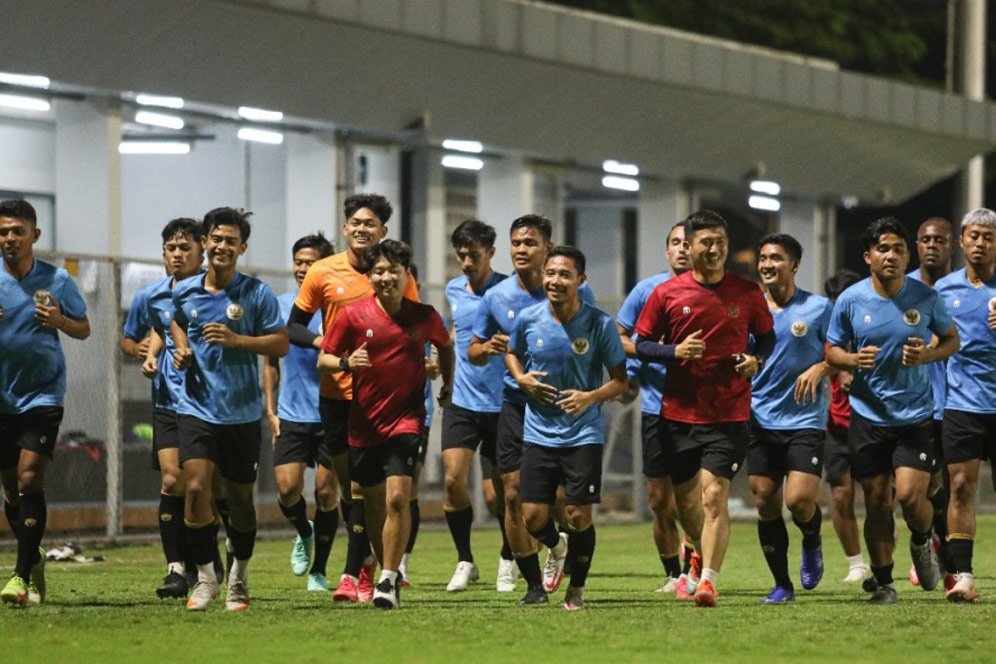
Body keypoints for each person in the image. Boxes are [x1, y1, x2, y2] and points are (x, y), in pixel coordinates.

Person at [634, 209, 775, 608]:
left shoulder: (747, 293)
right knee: (688, 505)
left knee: (714, 495)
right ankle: (696, 552)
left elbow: (766, 338)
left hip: (729, 413)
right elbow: (642, 343)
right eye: (706, 243)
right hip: (678, 414)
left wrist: (756, 360)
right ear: (690, 246)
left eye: (721, 243)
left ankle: (709, 580)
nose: (714, 250)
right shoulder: (667, 294)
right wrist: (674, 351)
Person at [288, 193, 418, 603]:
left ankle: (361, 575)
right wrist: (326, 343)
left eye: (371, 224)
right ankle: (370, 568)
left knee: (370, 491)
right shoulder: (323, 272)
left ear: (383, 231)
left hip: (383, 402)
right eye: (355, 223)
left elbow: (413, 326)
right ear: (345, 228)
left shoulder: (394, 272)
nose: (362, 229)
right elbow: (293, 327)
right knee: (348, 491)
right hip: (336, 396)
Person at [826, 216, 959, 605]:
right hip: (867, 417)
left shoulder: (925, 297)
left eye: (899, 249)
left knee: (909, 496)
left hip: (915, 415)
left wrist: (929, 355)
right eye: (883, 248)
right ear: (868, 256)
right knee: (876, 501)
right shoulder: (851, 300)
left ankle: (921, 541)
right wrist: (851, 359)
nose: (891, 255)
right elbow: (831, 350)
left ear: (907, 255)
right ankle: (884, 583)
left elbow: (952, 340)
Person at [318, 239, 454, 610]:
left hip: (407, 421)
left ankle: (389, 579)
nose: (386, 276)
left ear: (405, 274)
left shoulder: (424, 315)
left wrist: (447, 384)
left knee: (398, 498)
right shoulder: (352, 315)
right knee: (372, 504)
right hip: (364, 424)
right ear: (369, 276)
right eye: (379, 270)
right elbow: (324, 360)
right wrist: (347, 363)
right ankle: (381, 568)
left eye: (394, 270)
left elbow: (445, 346)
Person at [469, 214, 595, 605]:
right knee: (511, 495)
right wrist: (488, 349)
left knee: (558, 500)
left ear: (547, 247)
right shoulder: (496, 296)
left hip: (562, 409)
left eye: (531, 243)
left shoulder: (573, 290)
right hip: (515, 405)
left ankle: (564, 552)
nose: (522, 250)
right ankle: (533, 584)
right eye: (517, 243)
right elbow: (472, 349)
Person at [170, 207, 288, 611]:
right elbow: (177, 321)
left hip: (240, 413)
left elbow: (280, 344)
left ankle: (240, 574)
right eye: (215, 238)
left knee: (239, 499)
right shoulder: (185, 291)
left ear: (242, 247)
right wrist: (182, 350)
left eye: (230, 241)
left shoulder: (256, 294)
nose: (222, 246)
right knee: (197, 487)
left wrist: (238, 341)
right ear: (205, 241)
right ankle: (206, 579)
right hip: (196, 407)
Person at [506, 246, 627, 610]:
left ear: (580, 280)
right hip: (538, 432)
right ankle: (557, 547)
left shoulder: (599, 324)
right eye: (551, 274)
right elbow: (512, 352)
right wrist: (520, 377)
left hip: (583, 433)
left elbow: (620, 381)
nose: (556, 281)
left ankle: (578, 588)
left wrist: (590, 398)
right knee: (532, 517)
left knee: (577, 515)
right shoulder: (528, 319)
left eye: (565, 275)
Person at [0, 199, 90, 607]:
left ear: (35, 235)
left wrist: (59, 322)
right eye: (3, 232)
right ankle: (32, 555)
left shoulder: (56, 279)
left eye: (17, 231)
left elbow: (84, 329)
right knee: (12, 490)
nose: (9, 239)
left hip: (44, 394)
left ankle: (19, 575)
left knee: (29, 478)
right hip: (3, 397)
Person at [748, 233, 835, 604]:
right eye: (764, 258)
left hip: (804, 420)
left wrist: (821, 368)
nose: (768, 264)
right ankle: (782, 584)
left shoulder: (818, 308)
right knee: (766, 499)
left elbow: (841, 353)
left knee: (799, 500)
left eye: (777, 258)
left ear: (794, 265)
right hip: (758, 418)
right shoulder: (750, 309)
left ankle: (812, 538)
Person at [616, 222, 694, 596]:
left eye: (687, 242)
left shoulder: (715, 293)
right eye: (675, 242)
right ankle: (672, 573)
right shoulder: (647, 291)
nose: (682, 248)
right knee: (660, 501)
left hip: (701, 411)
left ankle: (696, 568)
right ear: (667, 251)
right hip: (656, 408)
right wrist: (633, 371)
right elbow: (620, 336)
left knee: (697, 498)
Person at [133, 218, 209, 599]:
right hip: (167, 401)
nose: (177, 255)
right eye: (171, 249)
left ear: (202, 249)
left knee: (208, 489)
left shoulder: (217, 290)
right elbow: (136, 339)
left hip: (210, 403)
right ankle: (177, 568)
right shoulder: (152, 297)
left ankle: (207, 561)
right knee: (171, 480)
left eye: (185, 248)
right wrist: (146, 356)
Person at [440, 220, 515, 593]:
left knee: (497, 492)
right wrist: (445, 375)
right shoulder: (454, 288)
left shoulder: (508, 290)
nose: (467, 261)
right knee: (452, 478)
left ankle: (508, 556)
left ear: (491, 253)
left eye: (474, 254)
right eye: (462, 254)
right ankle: (465, 559)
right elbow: (457, 332)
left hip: (502, 402)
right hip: (463, 401)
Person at [264, 233, 336, 592]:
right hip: (292, 414)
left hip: (332, 414)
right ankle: (303, 531)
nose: (302, 269)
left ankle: (319, 572)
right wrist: (270, 409)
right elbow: (271, 361)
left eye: (310, 263)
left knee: (326, 493)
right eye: (298, 262)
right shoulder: (280, 306)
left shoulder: (339, 305)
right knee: (288, 488)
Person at [935, 208, 996, 602]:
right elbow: (931, 343)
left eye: (988, 237)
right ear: (961, 241)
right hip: (962, 404)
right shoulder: (943, 291)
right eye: (974, 236)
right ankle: (964, 576)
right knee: (959, 487)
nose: (980, 243)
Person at [906, 217, 955, 587]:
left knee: (956, 487)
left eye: (939, 239)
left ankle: (949, 556)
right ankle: (933, 544)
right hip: (922, 406)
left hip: (968, 403)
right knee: (928, 487)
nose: (931, 246)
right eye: (924, 239)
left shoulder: (968, 289)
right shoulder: (901, 290)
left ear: (952, 245)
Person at [822, 269, 870, 583]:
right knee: (841, 495)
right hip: (837, 425)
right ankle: (856, 563)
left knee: (883, 495)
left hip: (875, 421)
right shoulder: (827, 331)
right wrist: (836, 367)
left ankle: (885, 555)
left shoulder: (875, 325)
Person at [397, 262, 439, 587]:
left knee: (407, 491)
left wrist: (436, 368)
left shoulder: (426, 318)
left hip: (415, 414)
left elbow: (444, 353)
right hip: (375, 416)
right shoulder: (371, 316)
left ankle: (400, 565)